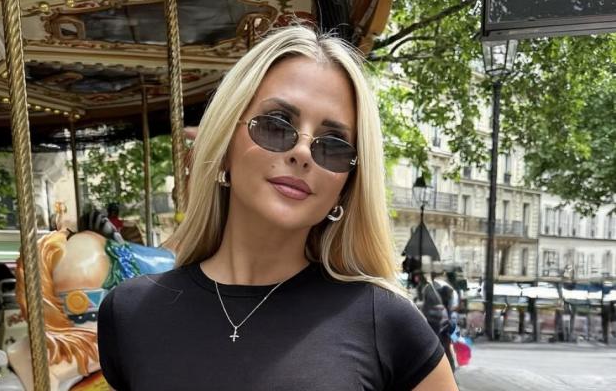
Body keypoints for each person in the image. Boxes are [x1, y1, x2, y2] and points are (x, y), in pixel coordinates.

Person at [98, 25, 457, 390]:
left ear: (347, 186)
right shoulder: (130, 313)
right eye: (276, 124)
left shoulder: (386, 322)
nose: (302, 152)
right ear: (225, 144)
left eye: (333, 145)